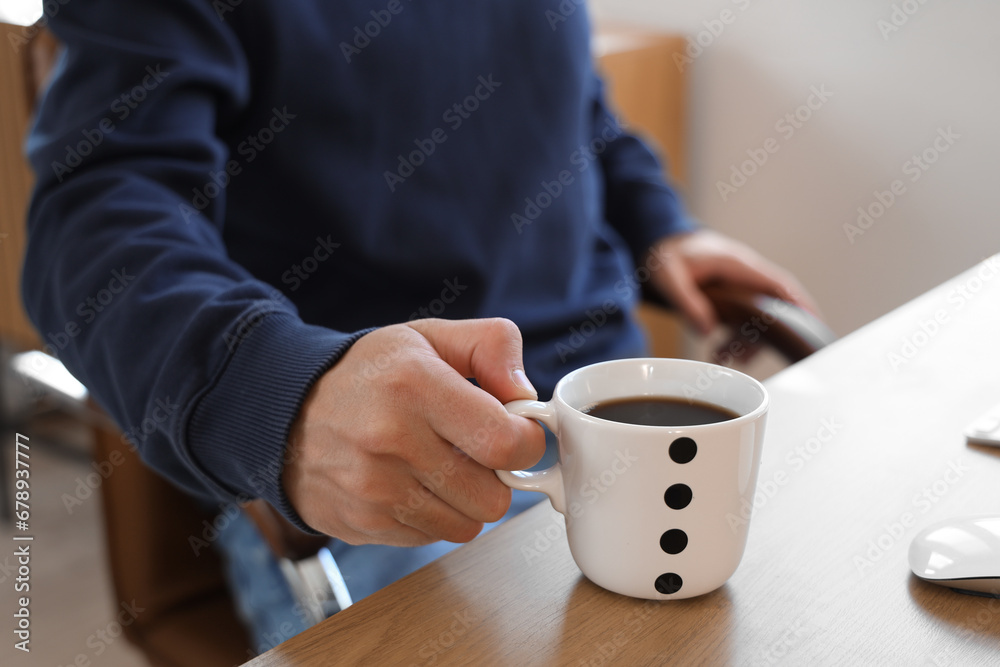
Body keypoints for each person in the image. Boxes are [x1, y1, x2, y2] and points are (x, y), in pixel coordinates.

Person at [22, 0, 815, 652]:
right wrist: (285, 401)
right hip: (393, 476)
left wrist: (661, 223)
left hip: (608, 422)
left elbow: (580, 112)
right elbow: (96, 223)